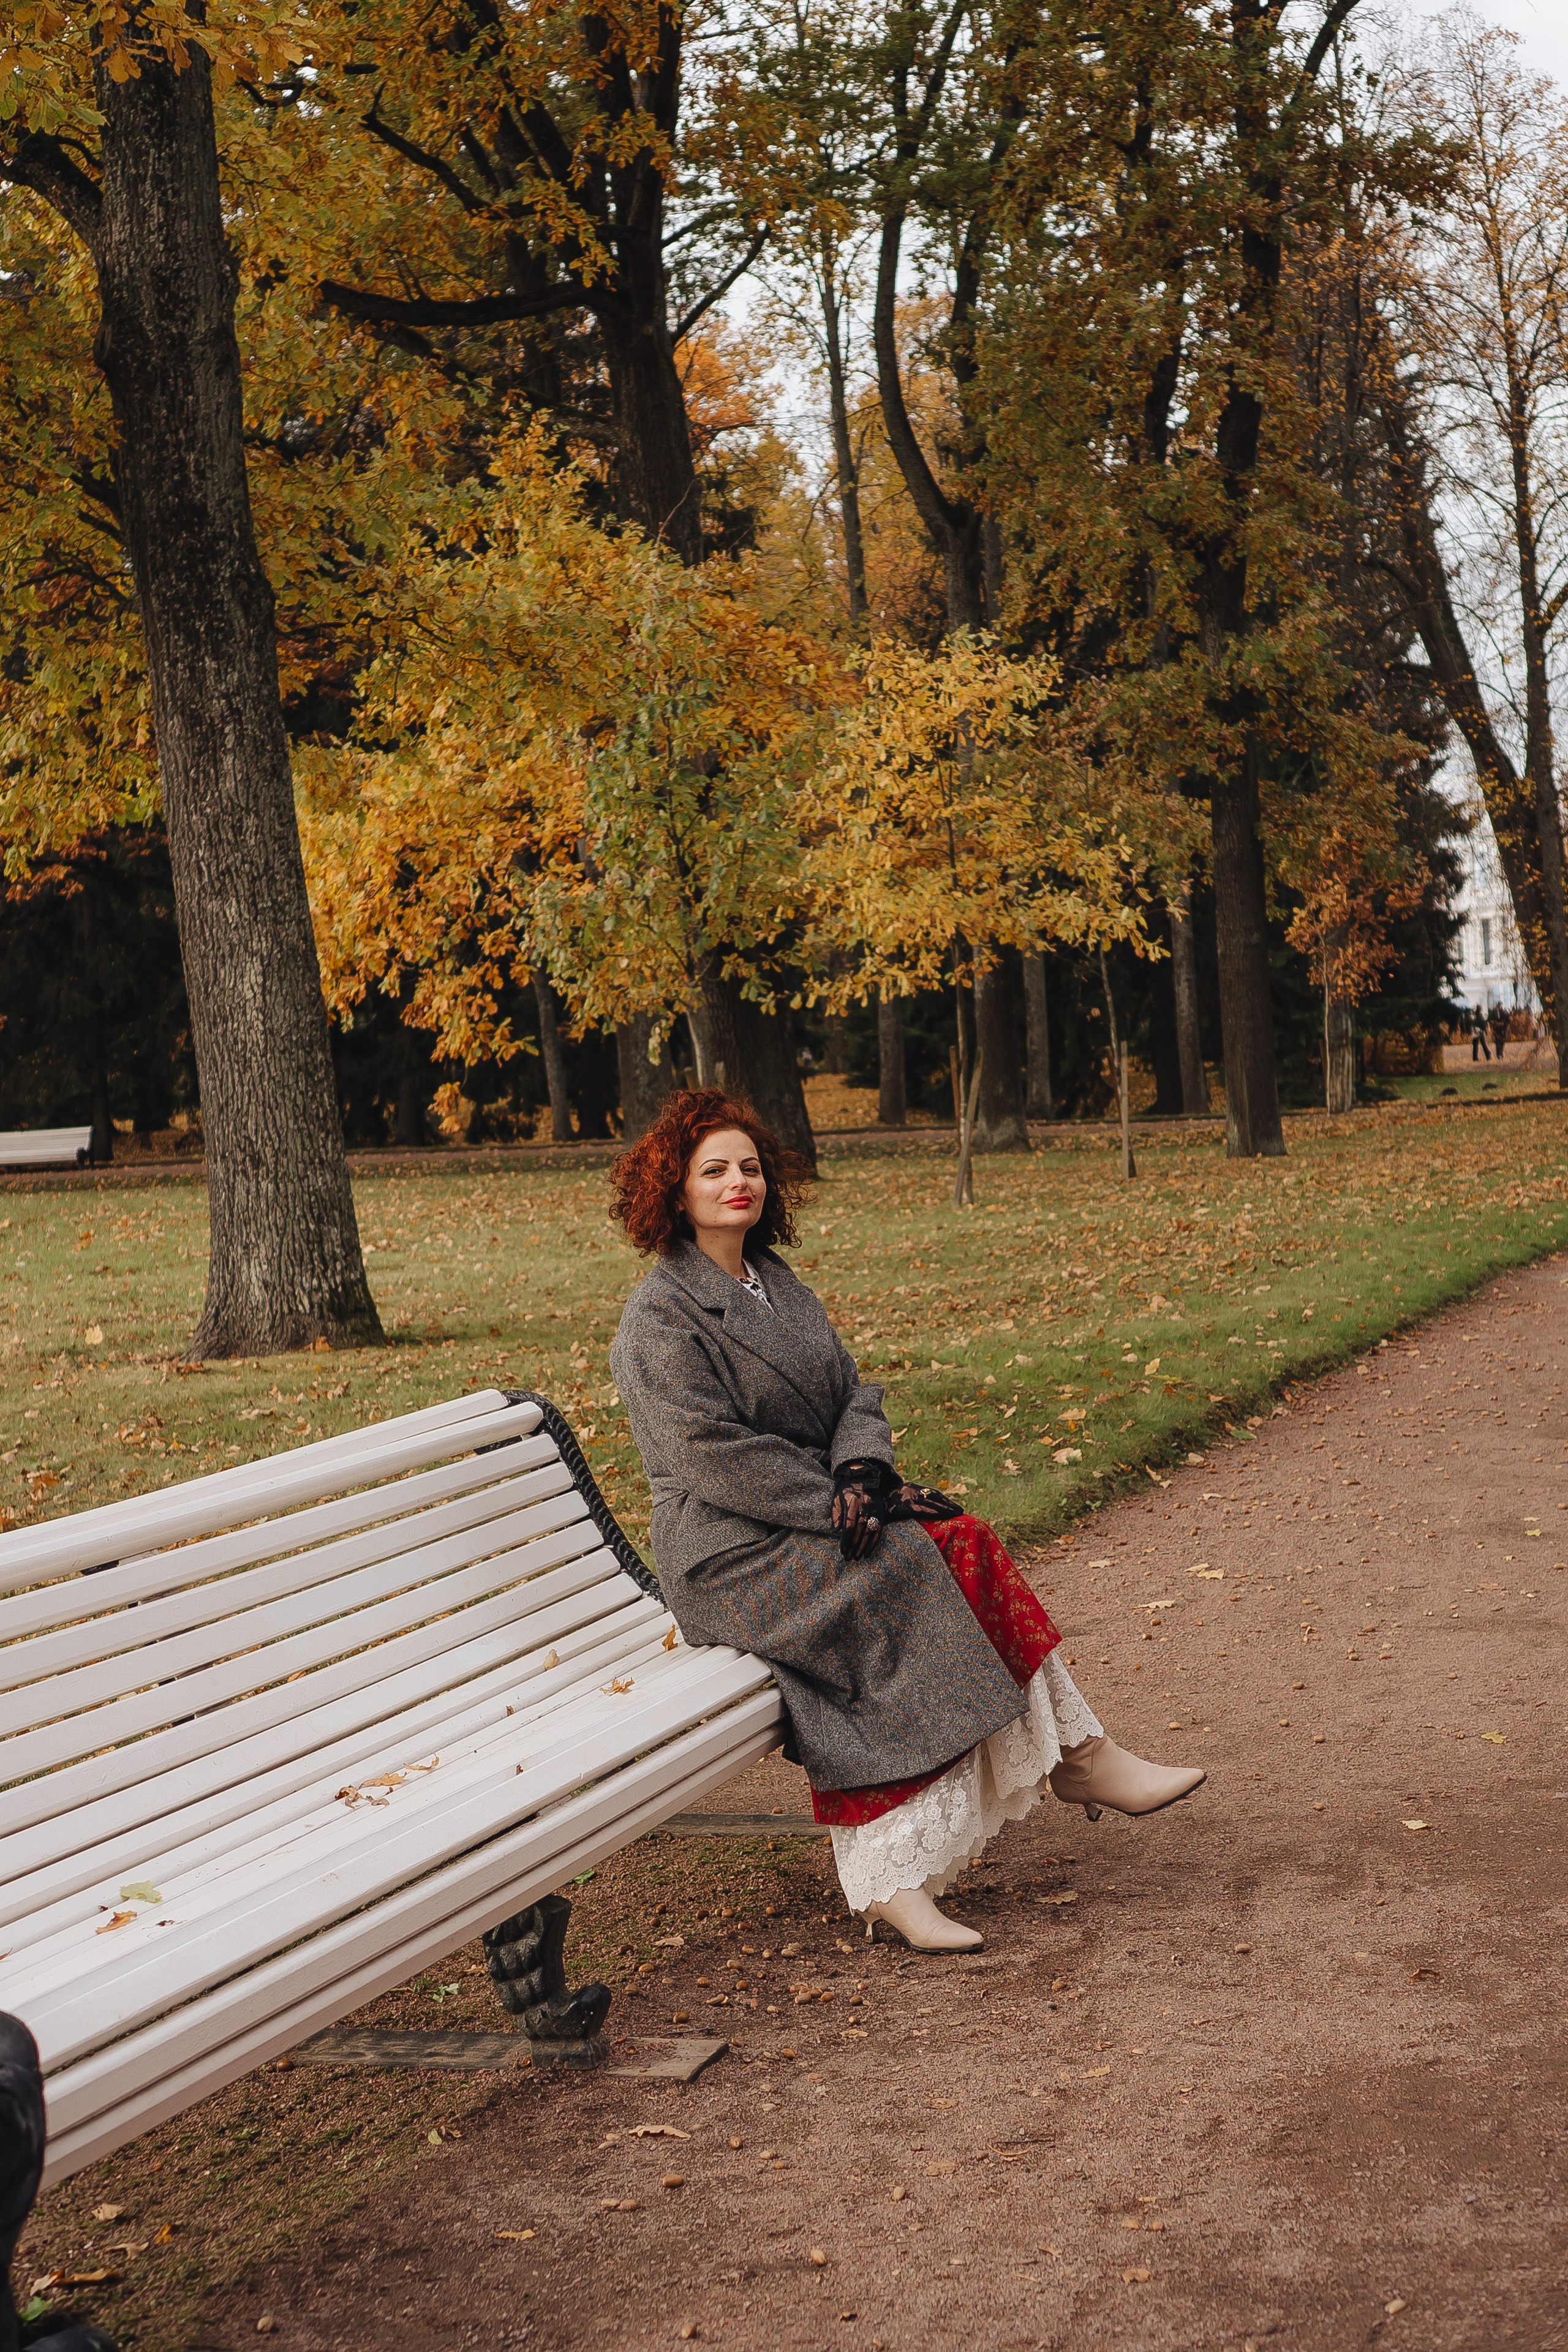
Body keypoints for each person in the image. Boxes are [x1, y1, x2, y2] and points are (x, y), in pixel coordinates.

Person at [609, 1088, 1204, 1954]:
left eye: (749, 1167)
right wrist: (849, 1503)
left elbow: (856, 1392)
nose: (738, 1182)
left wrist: (863, 1471)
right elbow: (711, 1457)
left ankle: (1078, 1755)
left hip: (812, 1517)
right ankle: (894, 1872)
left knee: (961, 1541)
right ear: (674, 1189)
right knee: (910, 1568)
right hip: (729, 1554)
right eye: (714, 1171)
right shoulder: (659, 1316)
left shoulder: (777, 1284)